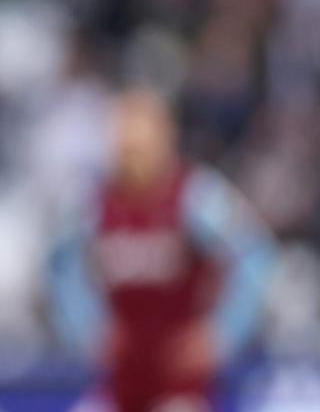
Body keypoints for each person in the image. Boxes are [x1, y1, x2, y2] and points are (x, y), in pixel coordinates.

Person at [47, 88, 274, 412]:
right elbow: (60, 265)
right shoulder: (92, 201)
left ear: (165, 139)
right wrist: (87, 328)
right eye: (126, 145)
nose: (133, 155)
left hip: (181, 381)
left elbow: (256, 256)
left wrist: (222, 334)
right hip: (121, 380)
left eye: (141, 144)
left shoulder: (197, 196)